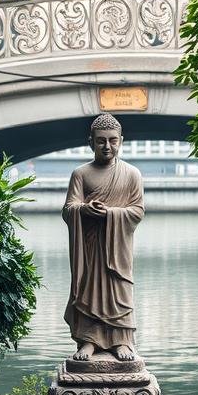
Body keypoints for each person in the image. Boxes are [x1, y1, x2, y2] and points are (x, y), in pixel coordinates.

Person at [61, 114, 145, 362]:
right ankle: (88, 341)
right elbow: (68, 208)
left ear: (121, 141)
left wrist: (110, 213)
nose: (107, 146)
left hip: (118, 247)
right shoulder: (81, 173)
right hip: (89, 246)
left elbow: (137, 210)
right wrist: (83, 210)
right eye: (100, 141)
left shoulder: (131, 174)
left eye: (112, 140)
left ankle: (121, 340)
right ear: (90, 142)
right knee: (89, 291)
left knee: (119, 290)